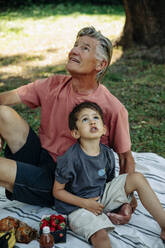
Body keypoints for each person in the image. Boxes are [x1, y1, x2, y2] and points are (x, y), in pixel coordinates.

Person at [0, 26, 135, 217]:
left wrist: (124, 199)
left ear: (100, 65)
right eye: (75, 45)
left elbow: (125, 158)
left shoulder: (112, 108)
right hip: (42, 157)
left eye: (85, 48)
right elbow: (7, 98)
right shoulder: (54, 84)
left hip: (67, 184)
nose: (74, 51)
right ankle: (23, 178)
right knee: (3, 113)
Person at [53, 101, 165, 248]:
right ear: (76, 133)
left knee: (136, 178)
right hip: (77, 206)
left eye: (96, 118)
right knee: (101, 235)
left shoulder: (107, 153)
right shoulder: (70, 159)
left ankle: (164, 224)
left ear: (104, 129)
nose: (92, 121)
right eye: (85, 119)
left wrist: (122, 198)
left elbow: (110, 182)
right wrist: (86, 203)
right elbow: (57, 191)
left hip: (100, 196)